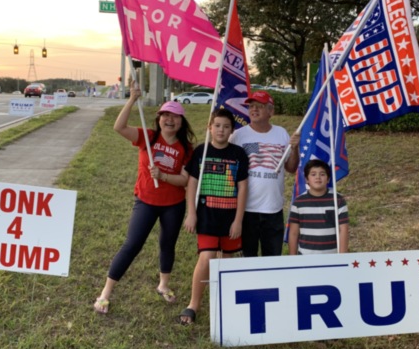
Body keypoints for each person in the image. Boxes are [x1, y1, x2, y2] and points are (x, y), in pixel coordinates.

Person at [93, 82, 195, 314]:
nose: (170, 120)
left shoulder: (187, 148)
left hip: (173, 205)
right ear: (159, 118)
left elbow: (184, 180)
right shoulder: (148, 137)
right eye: (165, 115)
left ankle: (163, 285)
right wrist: (131, 100)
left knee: (167, 245)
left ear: (182, 121)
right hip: (146, 202)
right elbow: (118, 127)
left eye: (175, 116)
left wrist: (164, 175)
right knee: (132, 244)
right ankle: (105, 293)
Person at [178, 109, 249, 324]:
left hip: (230, 218)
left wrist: (238, 220)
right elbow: (191, 184)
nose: (221, 130)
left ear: (231, 130)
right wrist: (191, 213)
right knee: (207, 257)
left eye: (226, 126)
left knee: (226, 261)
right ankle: (194, 304)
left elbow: (243, 187)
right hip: (207, 216)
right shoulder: (201, 151)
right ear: (210, 127)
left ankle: (223, 302)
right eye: (217, 125)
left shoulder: (238, 154)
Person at [229, 90, 300, 257]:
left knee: (272, 257)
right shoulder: (238, 135)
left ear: (271, 111)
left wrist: (295, 149)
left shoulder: (281, 133)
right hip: (246, 209)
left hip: (273, 208)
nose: (254, 110)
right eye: (251, 106)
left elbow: (291, 168)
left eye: (259, 107)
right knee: (249, 257)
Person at [288, 159, 349, 255]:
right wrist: (293, 258)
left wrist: (342, 257)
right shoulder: (298, 202)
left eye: (322, 174)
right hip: (305, 257)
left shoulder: (338, 200)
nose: (318, 177)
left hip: (331, 256)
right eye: (313, 174)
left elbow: (343, 229)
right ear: (307, 179)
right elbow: (293, 233)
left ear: (328, 179)